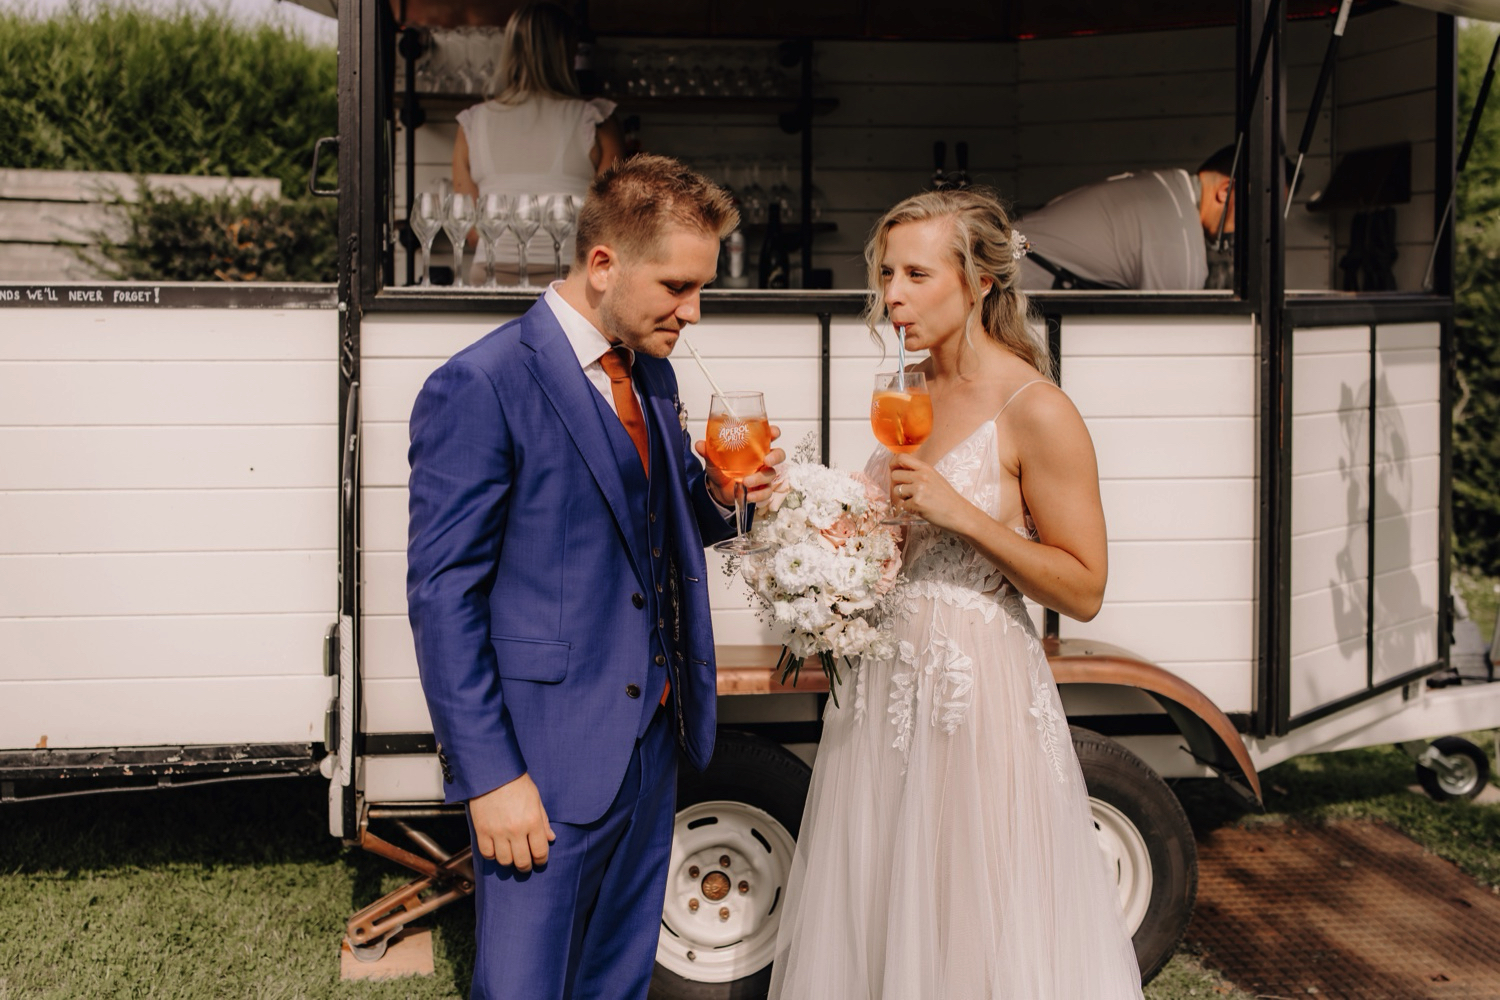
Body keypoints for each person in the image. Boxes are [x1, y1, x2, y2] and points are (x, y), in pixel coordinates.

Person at [407, 154, 784, 1000]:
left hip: (652, 746)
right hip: (541, 763)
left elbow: (663, 515)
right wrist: (493, 778)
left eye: (701, 290)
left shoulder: (649, 370)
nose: (694, 312)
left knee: (616, 984)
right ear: (605, 264)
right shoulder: (480, 384)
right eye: (679, 287)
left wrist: (727, 497)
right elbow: (443, 600)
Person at [768, 187, 1143, 998]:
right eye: (885, 274)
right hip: (883, 698)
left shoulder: (1035, 408)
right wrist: (816, 528)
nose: (892, 296)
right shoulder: (907, 396)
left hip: (977, 699)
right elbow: (892, 542)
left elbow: (1083, 589)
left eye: (915, 274)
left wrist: (963, 514)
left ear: (978, 284)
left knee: (974, 913)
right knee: (883, 904)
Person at [452, 1, 623, 281]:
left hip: (492, 277)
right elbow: (611, 222)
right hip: (572, 284)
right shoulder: (596, 119)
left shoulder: (472, 123)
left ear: (510, 51)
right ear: (566, 53)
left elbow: (469, 231)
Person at [1016, 145, 1238, 291]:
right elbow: (1173, 336)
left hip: (1003, 270)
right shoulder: (1177, 234)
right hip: (1007, 293)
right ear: (1225, 191)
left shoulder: (1166, 187)